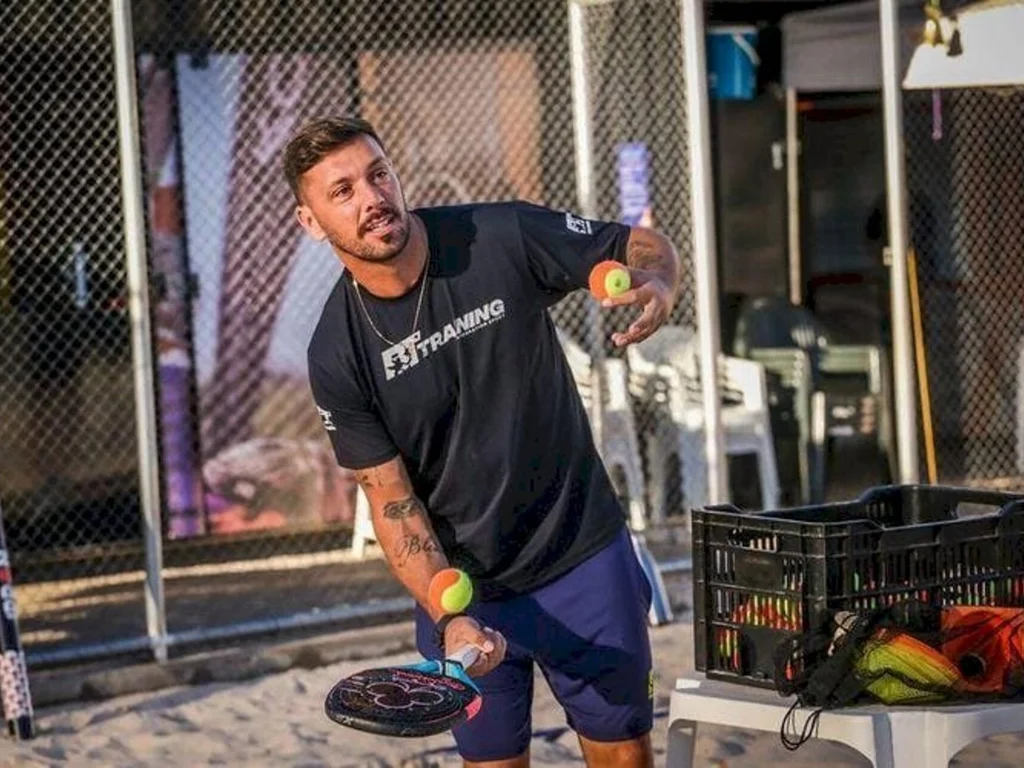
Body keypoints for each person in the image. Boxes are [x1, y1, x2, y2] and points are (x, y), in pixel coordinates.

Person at [286, 116, 681, 768]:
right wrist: (449, 618)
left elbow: (638, 244)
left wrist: (660, 281)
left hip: (582, 557)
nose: (372, 198)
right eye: (344, 191)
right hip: (470, 594)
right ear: (310, 221)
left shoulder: (496, 236)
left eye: (378, 174)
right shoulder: (337, 353)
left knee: (625, 758)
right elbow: (391, 503)